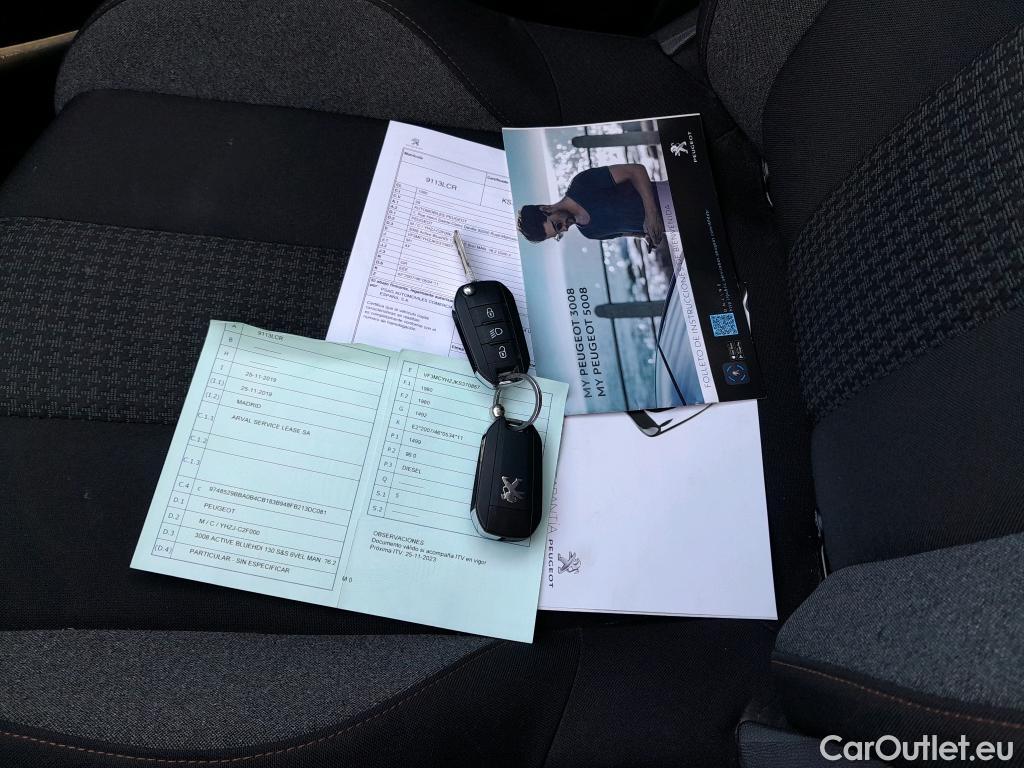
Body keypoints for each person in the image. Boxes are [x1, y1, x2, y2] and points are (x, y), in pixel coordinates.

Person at [516, 163, 665, 246]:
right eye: (559, 233)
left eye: (558, 225)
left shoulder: (582, 185)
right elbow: (630, 232)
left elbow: (636, 170)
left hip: (670, 195)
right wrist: (648, 236)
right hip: (674, 225)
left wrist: (652, 214)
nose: (565, 229)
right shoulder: (590, 233)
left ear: (546, 209)